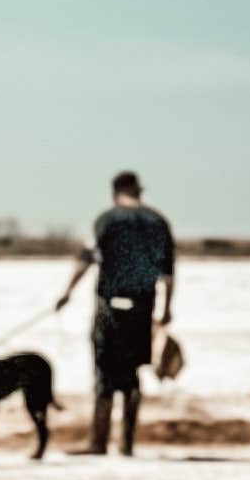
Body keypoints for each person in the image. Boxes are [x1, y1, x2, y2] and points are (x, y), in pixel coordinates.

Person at [55, 169, 177, 457]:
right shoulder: (158, 222)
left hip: (110, 306)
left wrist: (67, 293)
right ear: (140, 191)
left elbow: (86, 259)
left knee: (104, 371)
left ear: (114, 192)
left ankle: (98, 442)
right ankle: (127, 444)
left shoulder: (106, 220)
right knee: (132, 373)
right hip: (142, 307)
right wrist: (167, 308)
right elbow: (168, 274)